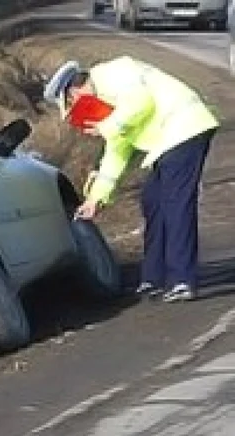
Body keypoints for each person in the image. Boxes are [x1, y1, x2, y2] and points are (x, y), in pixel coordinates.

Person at [43, 56, 219, 303]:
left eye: (72, 102)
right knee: (153, 201)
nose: (77, 109)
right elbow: (116, 152)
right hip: (169, 140)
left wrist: (107, 127)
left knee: (175, 204)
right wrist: (96, 198)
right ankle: (153, 278)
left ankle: (182, 279)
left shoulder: (113, 73)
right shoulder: (111, 107)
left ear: (75, 88)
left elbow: (141, 102)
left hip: (185, 128)